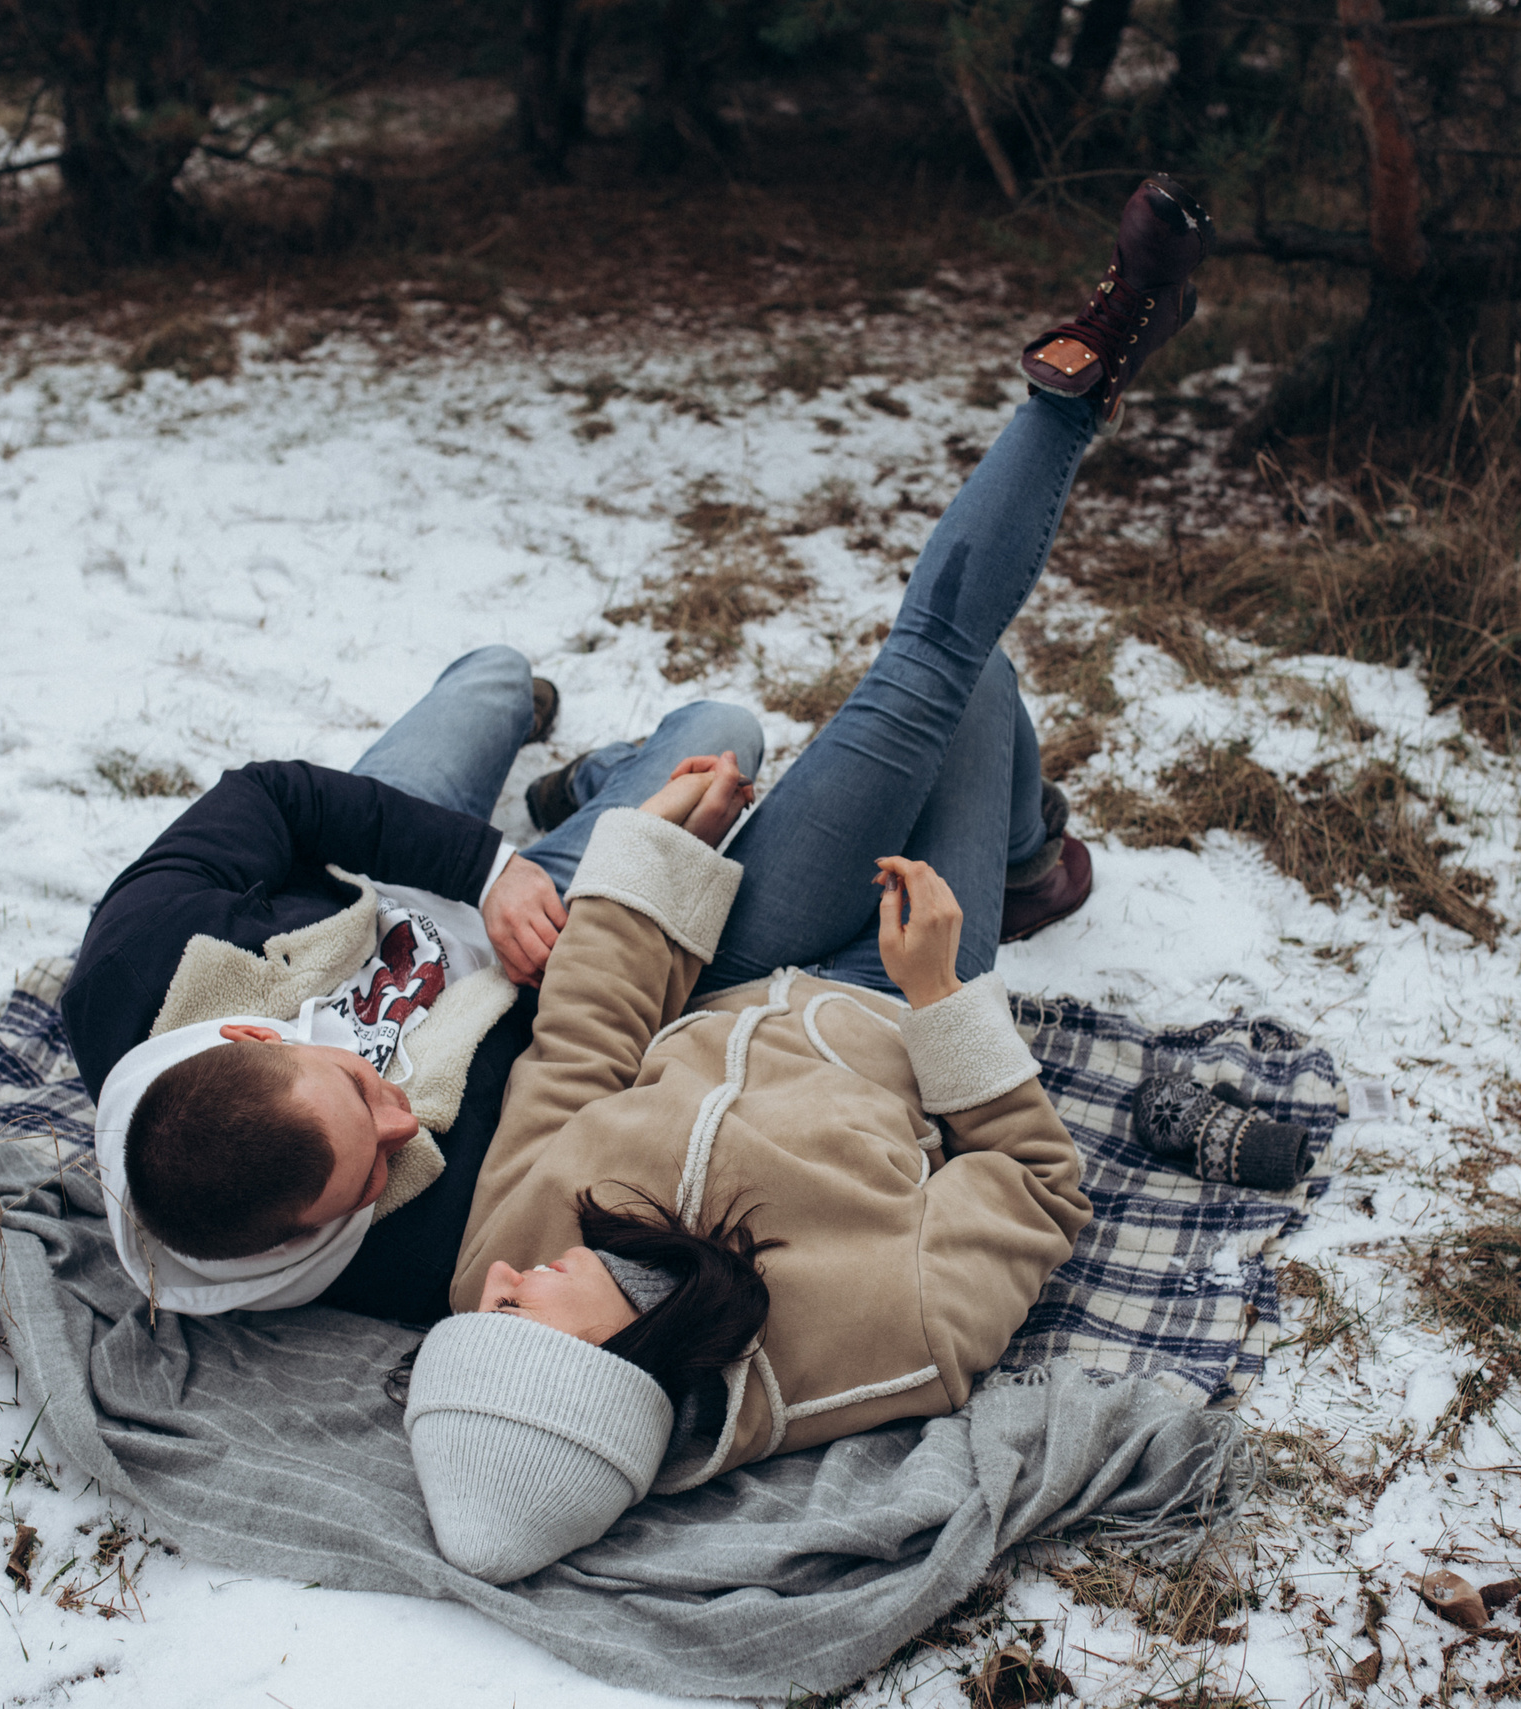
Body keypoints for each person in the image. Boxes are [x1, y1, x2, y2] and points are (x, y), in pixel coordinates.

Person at [399, 176, 1217, 1583]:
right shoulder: (879, 1343)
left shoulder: (517, 1239)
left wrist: (651, 864)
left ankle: (1078, 385)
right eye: (516, 1317)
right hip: (897, 994)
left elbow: (587, 1044)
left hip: (734, 955)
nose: (494, 1283)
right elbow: (1031, 1187)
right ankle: (1028, 858)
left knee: (928, 677)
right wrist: (946, 999)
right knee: (980, 686)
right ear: (613, 1377)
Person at [69, 654, 765, 1322]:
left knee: (495, 674)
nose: (400, 1125)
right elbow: (572, 1077)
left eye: (356, 1087)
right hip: (544, 942)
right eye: (371, 1172)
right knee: (725, 733)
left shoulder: (136, 959)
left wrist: (487, 868)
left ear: (252, 1034)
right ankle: (597, 791)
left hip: (389, 869)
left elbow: (273, 797)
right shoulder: (408, 1253)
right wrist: (656, 864)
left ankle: (583, 778)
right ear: (296, 1239)